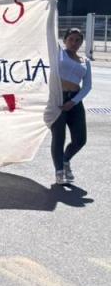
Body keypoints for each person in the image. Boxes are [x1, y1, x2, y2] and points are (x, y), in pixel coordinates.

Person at [52, 27, 91, 185]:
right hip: (58, 99)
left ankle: (66, 160)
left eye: (78, 40)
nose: (74, 43)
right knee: (59, 138)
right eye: (71, 39)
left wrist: (74, 102)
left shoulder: (85, 61)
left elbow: (87, 86)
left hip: (75, 101)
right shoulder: (57, 54)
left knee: (80, 139)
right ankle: (59, 171)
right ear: (64, 40)